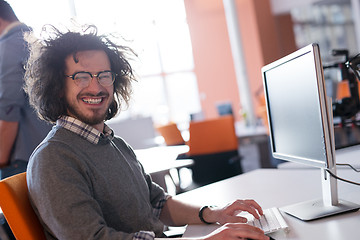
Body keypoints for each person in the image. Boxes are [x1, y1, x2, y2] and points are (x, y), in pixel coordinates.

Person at [24, 24, 270, 240]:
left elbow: (157, 203)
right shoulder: (53, 159)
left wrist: (213, 214)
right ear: (57, 86)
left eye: (104, 75)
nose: (96, 87)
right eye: (81, 77)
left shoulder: (115, 143)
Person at [0, 0, 51, 179]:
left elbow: (8, 111)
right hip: (41, 148)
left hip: (20, 159)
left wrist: (2, 160)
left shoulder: (8, 46)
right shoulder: (31, 41)